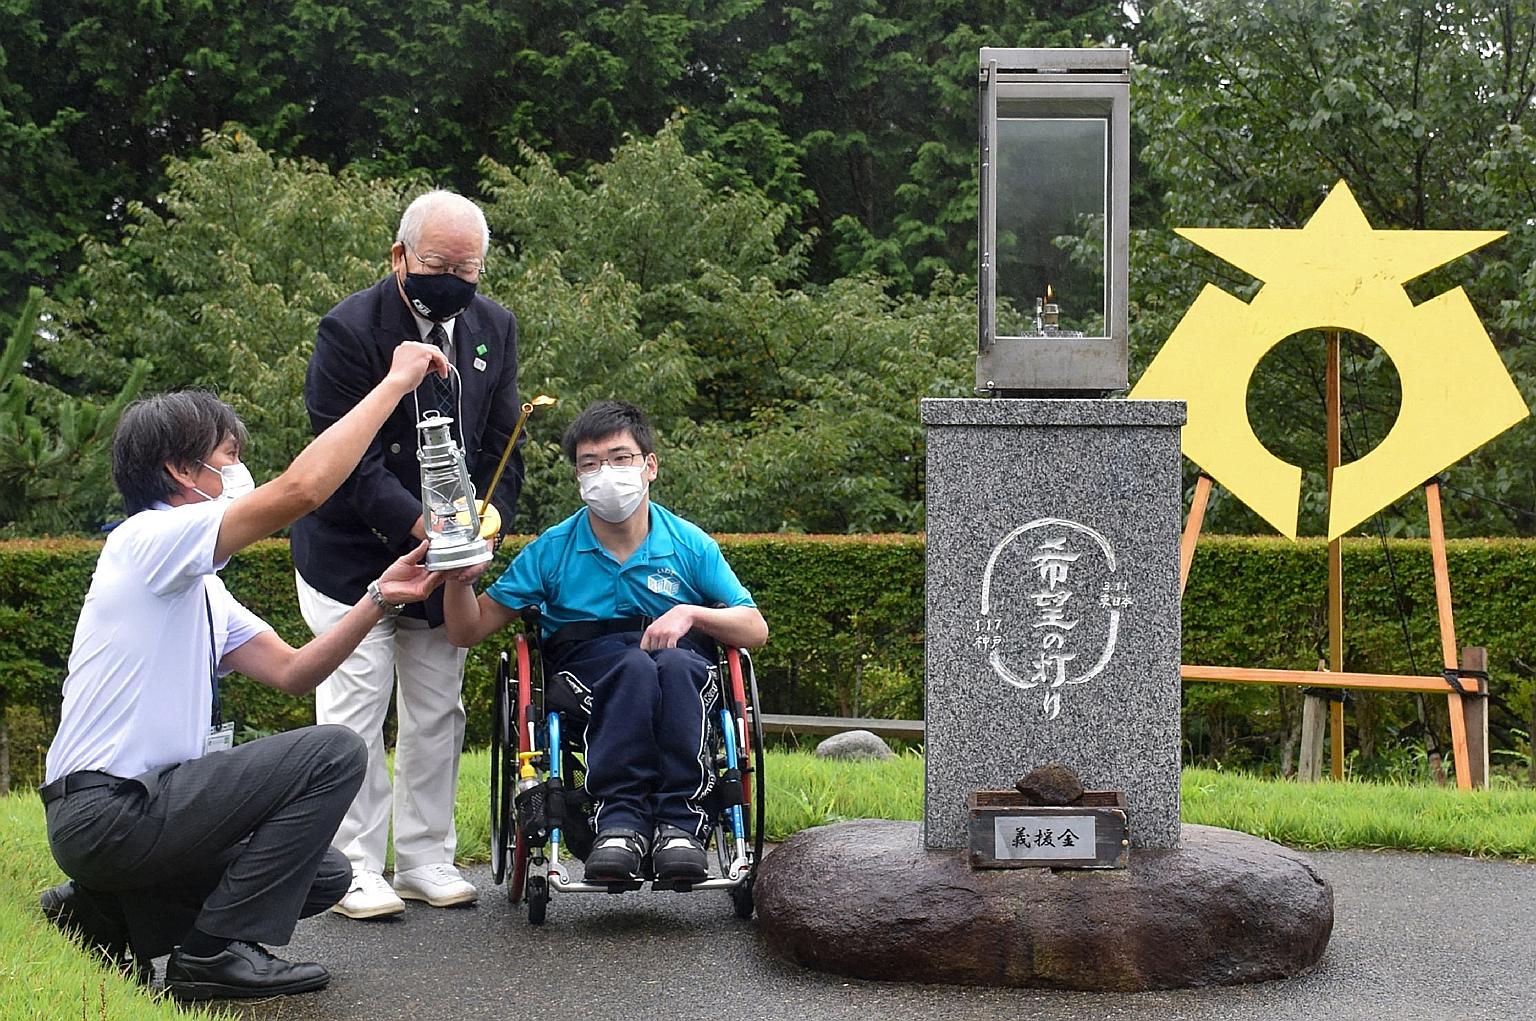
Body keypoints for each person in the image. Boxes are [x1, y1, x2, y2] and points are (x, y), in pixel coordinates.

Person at [40, 340, 450, 1000]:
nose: (241, 470)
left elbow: (294, 672)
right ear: (181, 469)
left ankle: (104, 910)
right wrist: (396, 385)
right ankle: (211, 954)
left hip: (136, 815)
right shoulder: (147, 538)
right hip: (107, 809)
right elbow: (304, 489)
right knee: (335, 750)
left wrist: (378, 594)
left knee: (324, 876)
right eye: (228, 457)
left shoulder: (197, 585)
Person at [291, 189, 523, 918]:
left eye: (469, 266)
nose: (453, 276)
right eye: (438, 262)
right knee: (355, 708)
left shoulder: (493, 327)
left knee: (436, 709)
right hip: (350, 555)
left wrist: (488, 522)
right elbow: (343, 457)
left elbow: (503, 444)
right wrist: (418, 525)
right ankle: (351, 863)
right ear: (399, 256)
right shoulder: (349, 330)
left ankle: (426, 854)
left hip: (448, 562)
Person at [443, 400, 768, 882]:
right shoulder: (553, 550)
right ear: (577, 476)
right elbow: (467, 629)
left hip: (680, 665)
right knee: (633, 668)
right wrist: (456, 575)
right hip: (585, 671)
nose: (605, 473)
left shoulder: (689, 544)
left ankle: (680, 824)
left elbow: (755, 629)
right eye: (590, 464)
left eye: (620, 458)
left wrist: (690, 613)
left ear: (649, 466)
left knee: (674, 669)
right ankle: (618, 822)